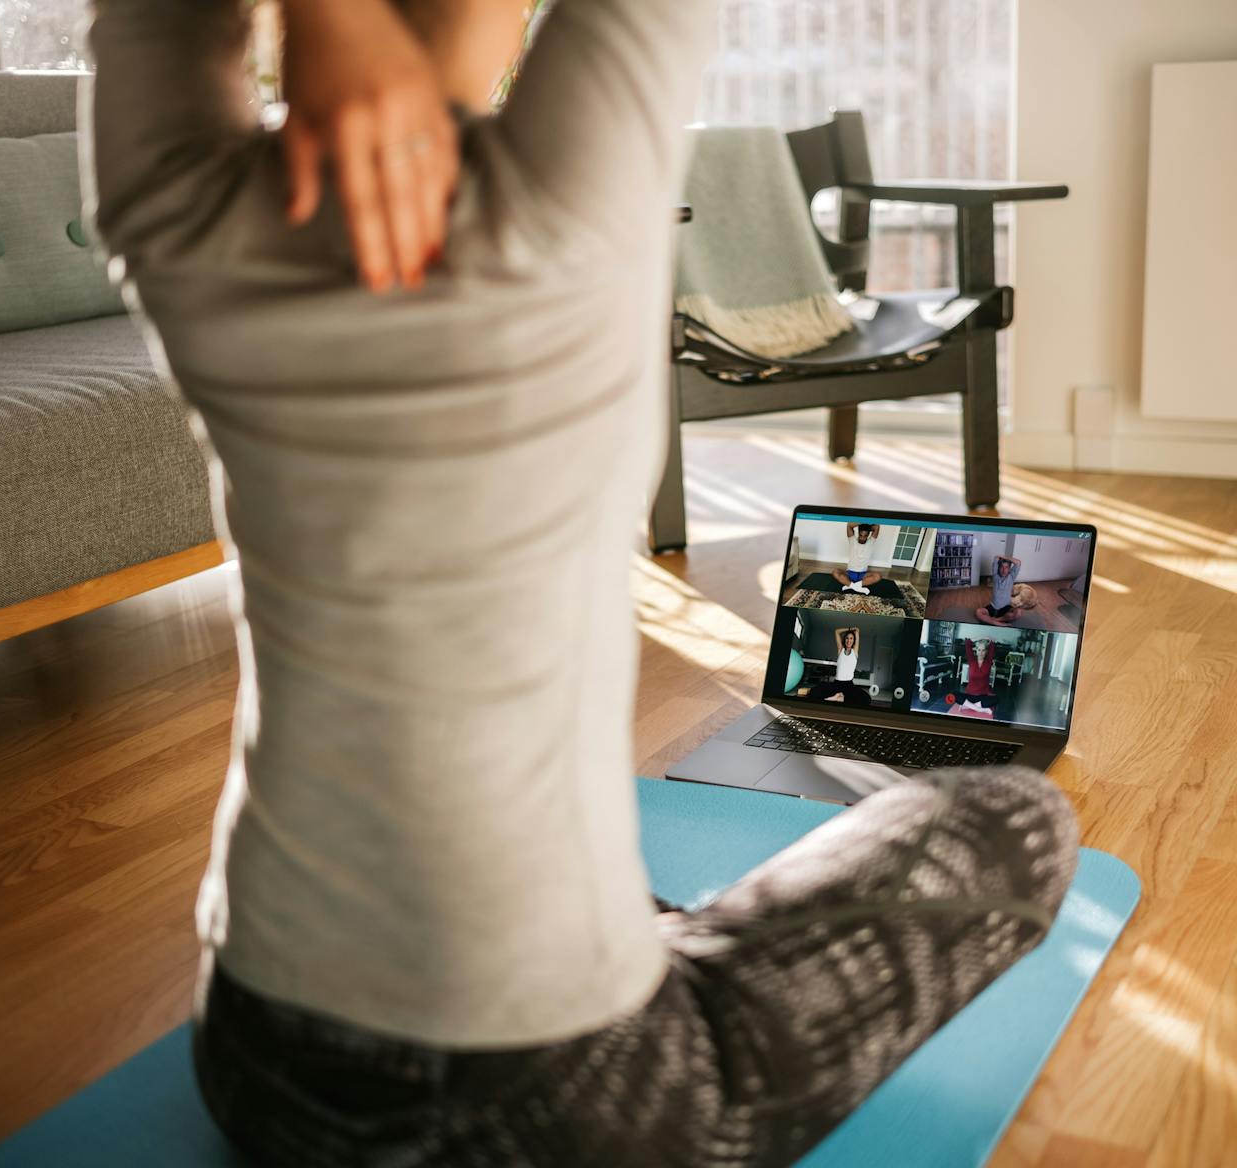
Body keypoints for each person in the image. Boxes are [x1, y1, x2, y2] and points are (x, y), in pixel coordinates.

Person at [84, 1, 1079, 1164]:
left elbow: (149, 20)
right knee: (1013, 815)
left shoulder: (184, 216)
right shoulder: (554, 210)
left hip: (255, 1045)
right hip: (556, 1100)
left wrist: (327, 16)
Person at [832, 522, 883, 594]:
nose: (862, 538)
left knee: (878, 576)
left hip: (863, 575)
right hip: (850, 573)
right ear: (858, 533)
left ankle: (850, 585)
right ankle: (857, 587)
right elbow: (849, 525)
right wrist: (862, 524)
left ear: (868, 535)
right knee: (835, 572)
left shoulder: (871, 541)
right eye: (861, 535)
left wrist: (866, 527)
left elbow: (877, 526)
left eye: (865, 535)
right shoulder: (852, 540)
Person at [975, 553, 1025, 625]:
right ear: (998, 568)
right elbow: (996, 558)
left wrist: (1005, 558)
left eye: (1006, 567)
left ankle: (997, 619)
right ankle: (998, 623)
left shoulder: (1011, 576)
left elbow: (1018, 562)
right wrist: (1001, 559)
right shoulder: (995, 575)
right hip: (992, 607)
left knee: (1018, 613)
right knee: (978, 612)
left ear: (1009, 569)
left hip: (1006, 608)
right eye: (1002, 567)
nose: (1004, 570)